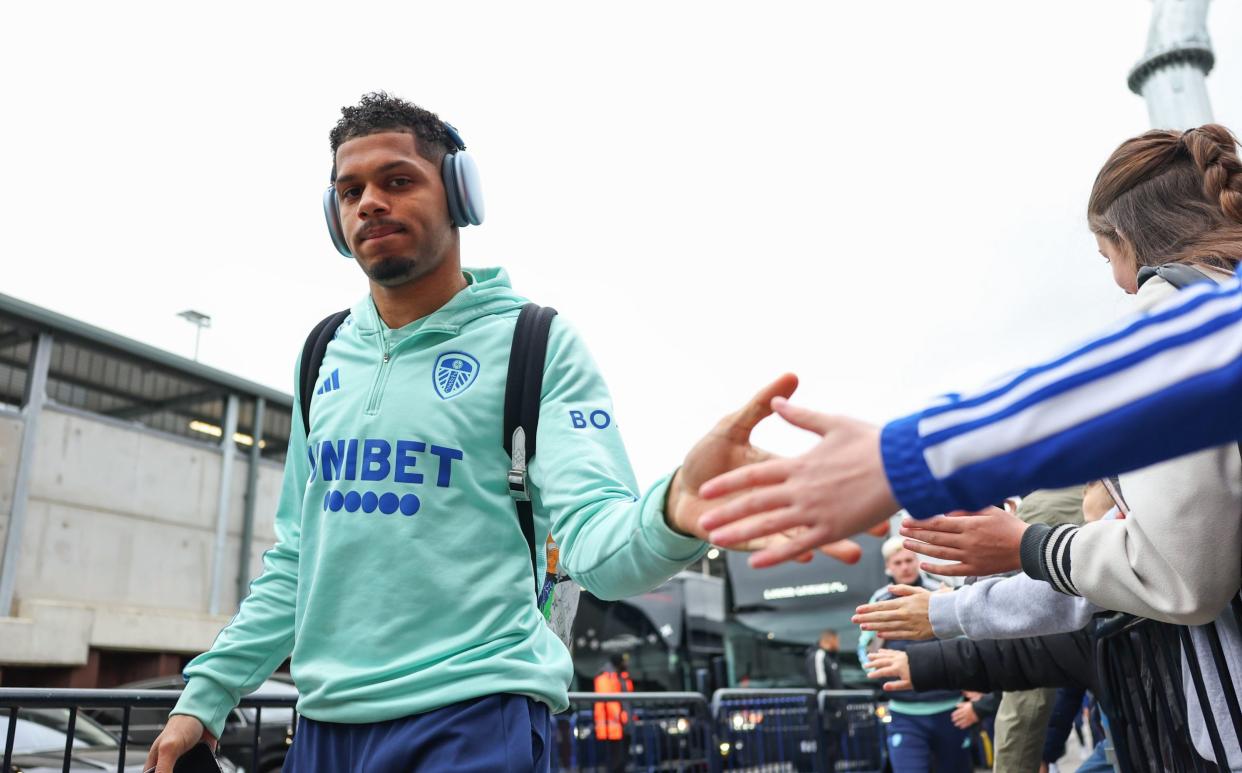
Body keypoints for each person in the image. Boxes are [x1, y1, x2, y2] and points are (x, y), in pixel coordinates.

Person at [142, 92, 826, 773]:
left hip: (473, 720)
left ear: (460, 196)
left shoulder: (536, 343)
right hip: (325, 727)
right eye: (350, 191)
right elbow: (297, 555)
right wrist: (206, 693)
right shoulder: (322, 352)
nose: (369, 203)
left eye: (398, 180)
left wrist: (678, 506)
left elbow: (596, 545)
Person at [696, 128, 1242, 563]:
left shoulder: (1173, 298)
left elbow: (1180, 570)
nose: (1123, 284)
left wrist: (908, 460)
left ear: (1129, 240)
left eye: (1108, 260)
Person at [860, 538, 970, 773]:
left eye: (909, 560)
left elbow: (964, 640)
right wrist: (875, 670)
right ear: (888, 567)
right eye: (897, 562)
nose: (904, 566)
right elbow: (865, 647)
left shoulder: (938, 591)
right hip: (904, 713)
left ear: (917, 562)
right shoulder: (880, 599)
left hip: (950, 710)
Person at [593, 653, 634, 773]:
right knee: (615, 762)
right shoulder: (605, 677)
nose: (626, 664)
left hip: (623, 725)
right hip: (611, 727)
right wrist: (622, 716)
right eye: (624, 661)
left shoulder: (622, 676)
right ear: (618, 662)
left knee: (622, 761)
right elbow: (609, 701)